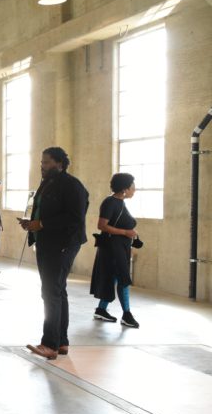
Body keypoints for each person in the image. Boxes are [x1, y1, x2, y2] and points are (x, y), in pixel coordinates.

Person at [22, 147, 89, 360]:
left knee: (51, 292)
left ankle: (49, 344)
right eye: (42, 162)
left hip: (62, 244)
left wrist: (40, 224)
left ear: (60, 163)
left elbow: (75, 218)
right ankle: (61, 342)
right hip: (46, 242)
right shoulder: (48, 184)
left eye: (47, 162)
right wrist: (31, 224)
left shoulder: (72, 185)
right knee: (57, 291)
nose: (42, 166)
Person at [89, 173, 140, 328]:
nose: (134, 190)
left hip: (120, 247)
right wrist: (125, 233)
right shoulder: (110, 202)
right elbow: (102, 225)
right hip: (113, 248)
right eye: (133, 187)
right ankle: (127, 315)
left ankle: (101, 309)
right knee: (123, 279)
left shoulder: (120, 202)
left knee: (115, 278)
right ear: (125, 189)